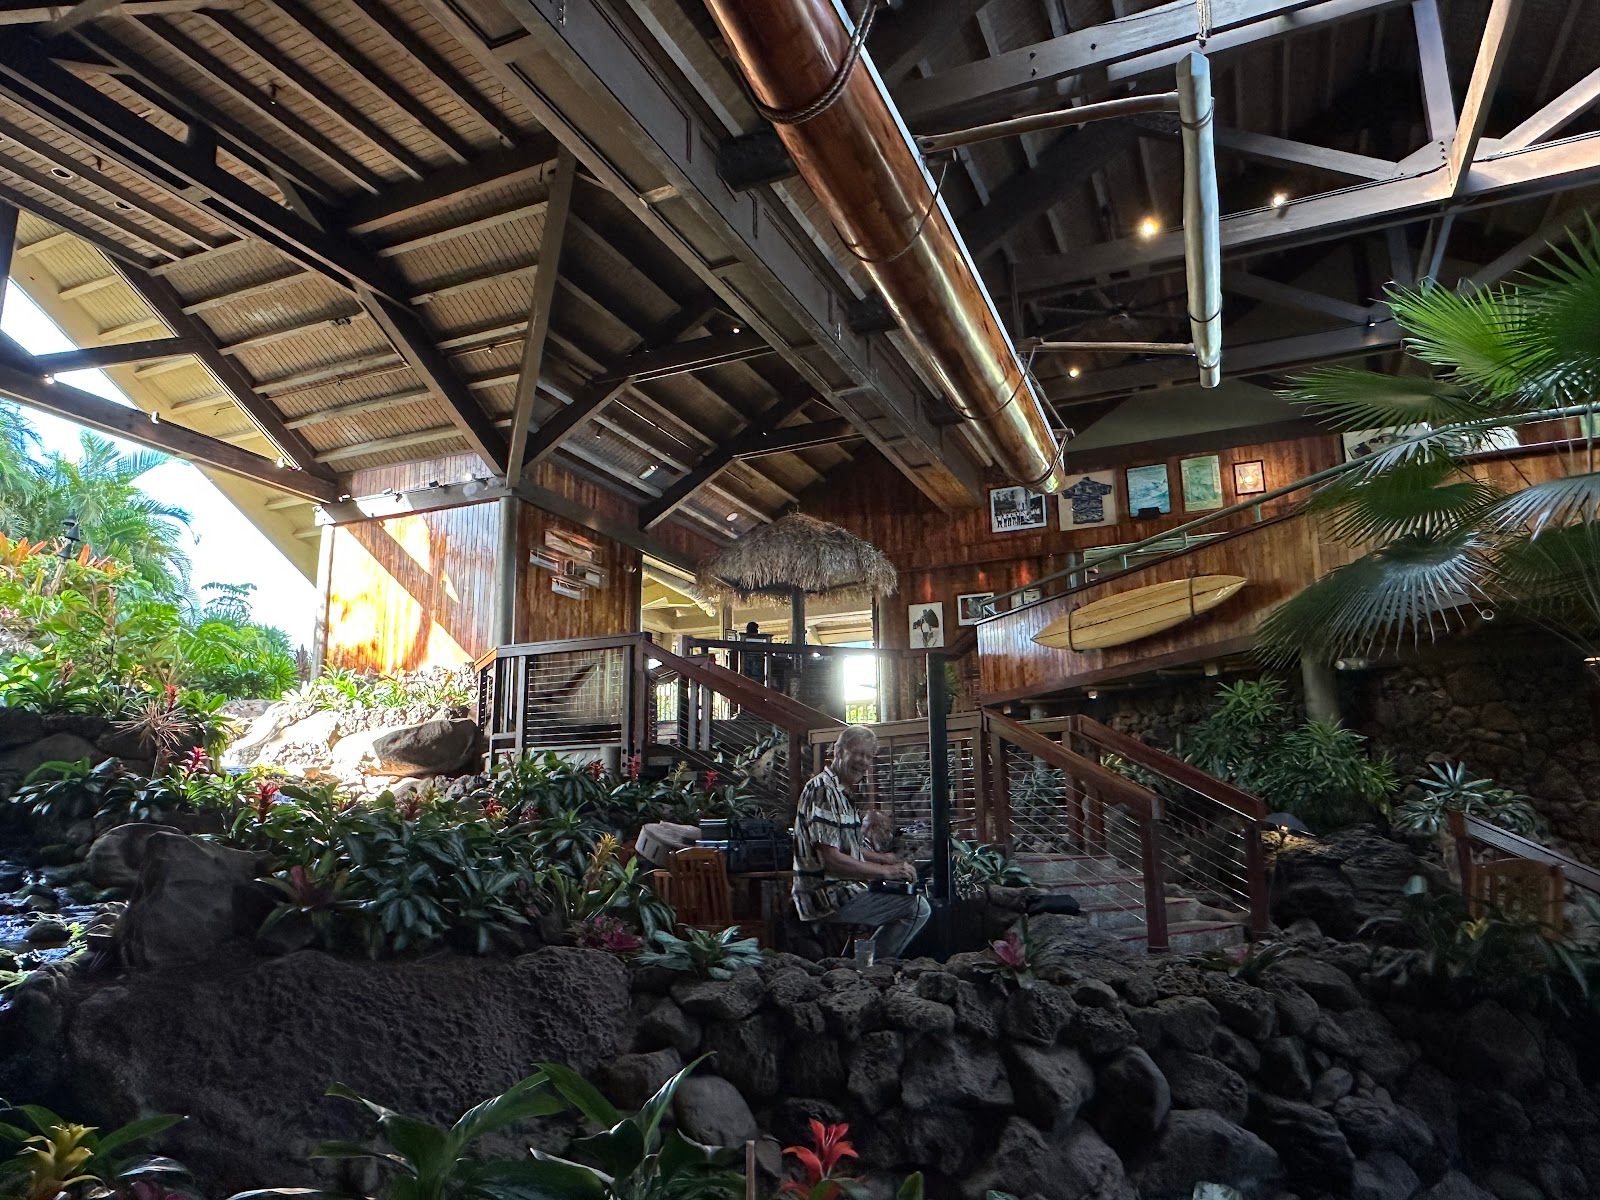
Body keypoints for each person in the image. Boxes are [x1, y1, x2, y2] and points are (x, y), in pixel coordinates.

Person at [792, 724, 930, 958]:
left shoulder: (841, 793)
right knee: (917, 907)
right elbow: (832, 860)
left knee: (907, 893)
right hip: (825, 896)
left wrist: (885, 860)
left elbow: (846, 850)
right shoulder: (823, 791)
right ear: (838, 751)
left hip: (841, 890)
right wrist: (886, 872)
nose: (863, 761)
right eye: (857, 753)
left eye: (868, 756)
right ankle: (869, 971)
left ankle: (856, 966)